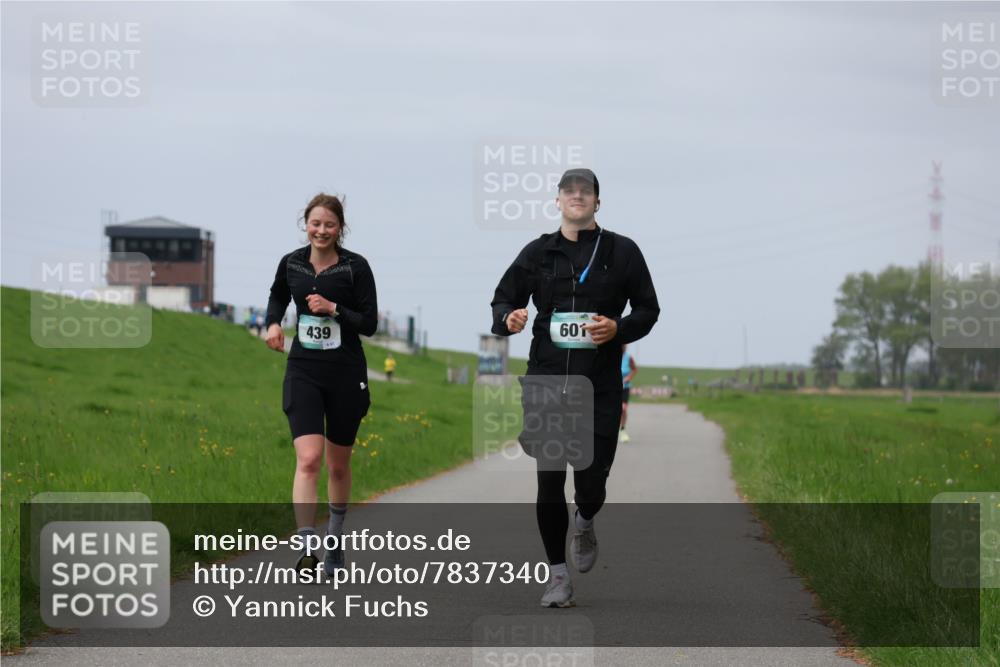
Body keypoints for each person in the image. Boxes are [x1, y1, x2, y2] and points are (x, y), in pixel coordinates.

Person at [490, 168, 659, 607]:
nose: (577, 197)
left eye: (586, 192)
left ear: (598, 203)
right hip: (547, 378)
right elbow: (503, 297)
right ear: (558, 200)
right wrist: (509, 317)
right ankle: (558, 577)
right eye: (570, 191)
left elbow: (648, 308)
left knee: (591, 481)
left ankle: (585, 519)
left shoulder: (623, 252)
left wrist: (618, 326)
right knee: (549, 481)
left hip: (598, 383)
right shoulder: (538, 252)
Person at [265, 193, 378, 576]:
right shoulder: (292, 262)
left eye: (329, 224)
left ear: (340, 228)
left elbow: (370, 322)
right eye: (315, 223)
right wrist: (274, 323)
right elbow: (278, 293)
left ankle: (334, 539)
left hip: (345, 373)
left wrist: (334, 310)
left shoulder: (355, 268)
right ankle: (307, 548)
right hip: (304, 370)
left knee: (338, 466)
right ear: (305, 224)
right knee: (309, 459)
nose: (322, 230)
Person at [619, 344, 637, 443]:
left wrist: (628, 378)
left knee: (623, 409)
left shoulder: (628, 357)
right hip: (613, 388)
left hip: (625, 387)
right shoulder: (611, 355)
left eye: (624, 345)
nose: (623, 347)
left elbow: (634, 369)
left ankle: (622, 430)